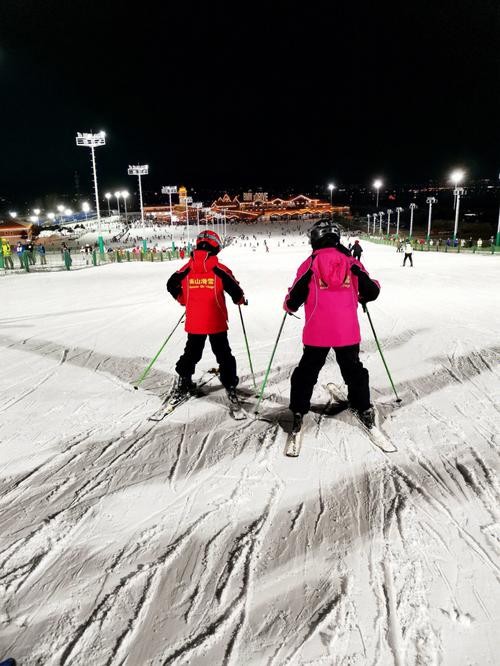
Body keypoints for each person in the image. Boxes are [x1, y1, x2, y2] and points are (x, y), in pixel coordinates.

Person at [283, 220, 380, 433]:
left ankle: (299, 409)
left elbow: (295, 297)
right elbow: (372, 291)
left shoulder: (310, 263)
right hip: (346, 332)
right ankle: (362, 406)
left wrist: (288, 305)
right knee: (353, 369)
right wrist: (361, 292)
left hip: (317, 332)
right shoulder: (351, 261)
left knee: (307, 371)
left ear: (315, 238)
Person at [166, 229, 247, 407]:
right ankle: (230, 382)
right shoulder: (219, 268)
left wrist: (183, 298)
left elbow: (171, 284)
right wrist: (240, 300)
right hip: (216, 320)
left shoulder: (187, 267)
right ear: (216, 246)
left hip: (195, 321)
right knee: (223, 353)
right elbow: (235, 289)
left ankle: (184, 378)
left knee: (192, 352)